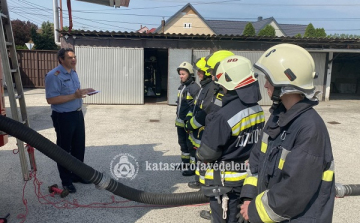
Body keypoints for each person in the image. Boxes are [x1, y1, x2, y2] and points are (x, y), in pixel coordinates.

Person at [239, 43, 335, 223]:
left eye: (269, 79)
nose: (265, 84)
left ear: (285, 82)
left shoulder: (309, 128)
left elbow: (295, 190)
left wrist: (254, 211)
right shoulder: (277, 117)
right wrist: (249, 196)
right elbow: (257, 159)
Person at [196, 55, 265, 223]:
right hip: (248, 181)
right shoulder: (258, 109)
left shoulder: (223, 116)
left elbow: (207, 154)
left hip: (225, 185)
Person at [45, 48, 96, 193]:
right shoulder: (54, 76)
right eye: (69, 58)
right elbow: (51, 99)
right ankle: (66, 181)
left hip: (77, 115)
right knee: (64, 150)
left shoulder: (73, 72)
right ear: (61, 59)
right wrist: (74, 96)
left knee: (79, 147)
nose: (73, 60)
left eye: (74, 57)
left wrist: (86, 90)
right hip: (63, 117)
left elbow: (75, 93)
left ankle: (77, 175)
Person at [195, 50, 235, 221]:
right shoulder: (220, 89)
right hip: (215, 139)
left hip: (221, 147)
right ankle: (215, 209)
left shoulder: (221, 92)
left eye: (212, 71)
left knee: (219, 182)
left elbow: (210, 111)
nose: (210, 75)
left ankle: (216, 212)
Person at [184, 57, 218, 189]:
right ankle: (199, 180)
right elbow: (195, 106)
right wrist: (188, 118)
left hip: (203, 130)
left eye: (201, 71)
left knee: (204, 157)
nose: (198, 73)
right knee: (199, 156)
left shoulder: (211, 88)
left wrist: (190, 124)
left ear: (208, 73)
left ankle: (203, 184)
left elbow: (205, 111)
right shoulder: (204, 87)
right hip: (198, 131)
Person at [175, 61, 200, 176]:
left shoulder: (194, 88)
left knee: (191, 146)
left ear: (189, 74)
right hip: (180, 123)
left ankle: (193, 167)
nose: (181, 76)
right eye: (180, 74)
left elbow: (196, 106)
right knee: (183, 143)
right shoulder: (182, 86)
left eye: (183, 74)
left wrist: (190, 122)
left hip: (188, 124)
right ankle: (185, 163)